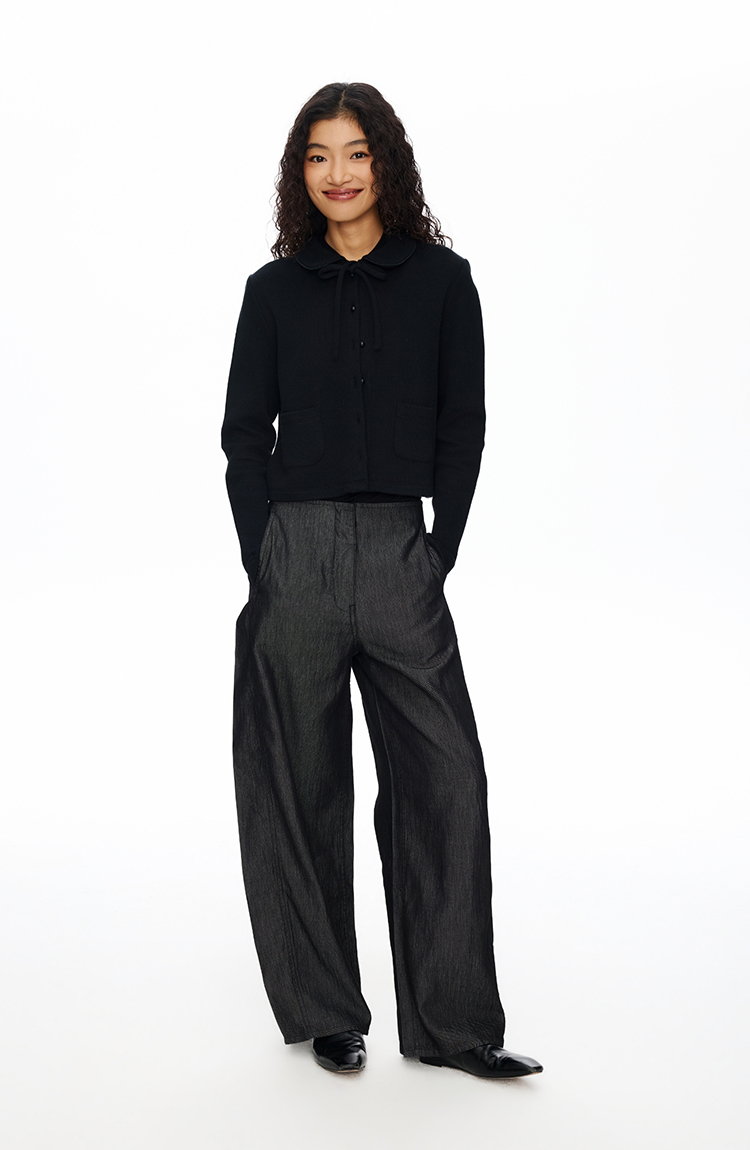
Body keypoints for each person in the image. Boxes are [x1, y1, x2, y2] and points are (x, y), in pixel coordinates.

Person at [221, 81, 542, 1080]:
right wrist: (265, 553)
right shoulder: (273, 292)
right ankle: (328, 1011)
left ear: (386, 162)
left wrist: (439, 549)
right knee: (299, 785)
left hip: (404, 551)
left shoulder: (444, 282)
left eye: (356, 152)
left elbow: (463, 424)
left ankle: (453, 1026)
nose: (339, 174)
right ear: (300, 174)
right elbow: (244, 434)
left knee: (447, 780)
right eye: (318, 156)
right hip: (298, 553)